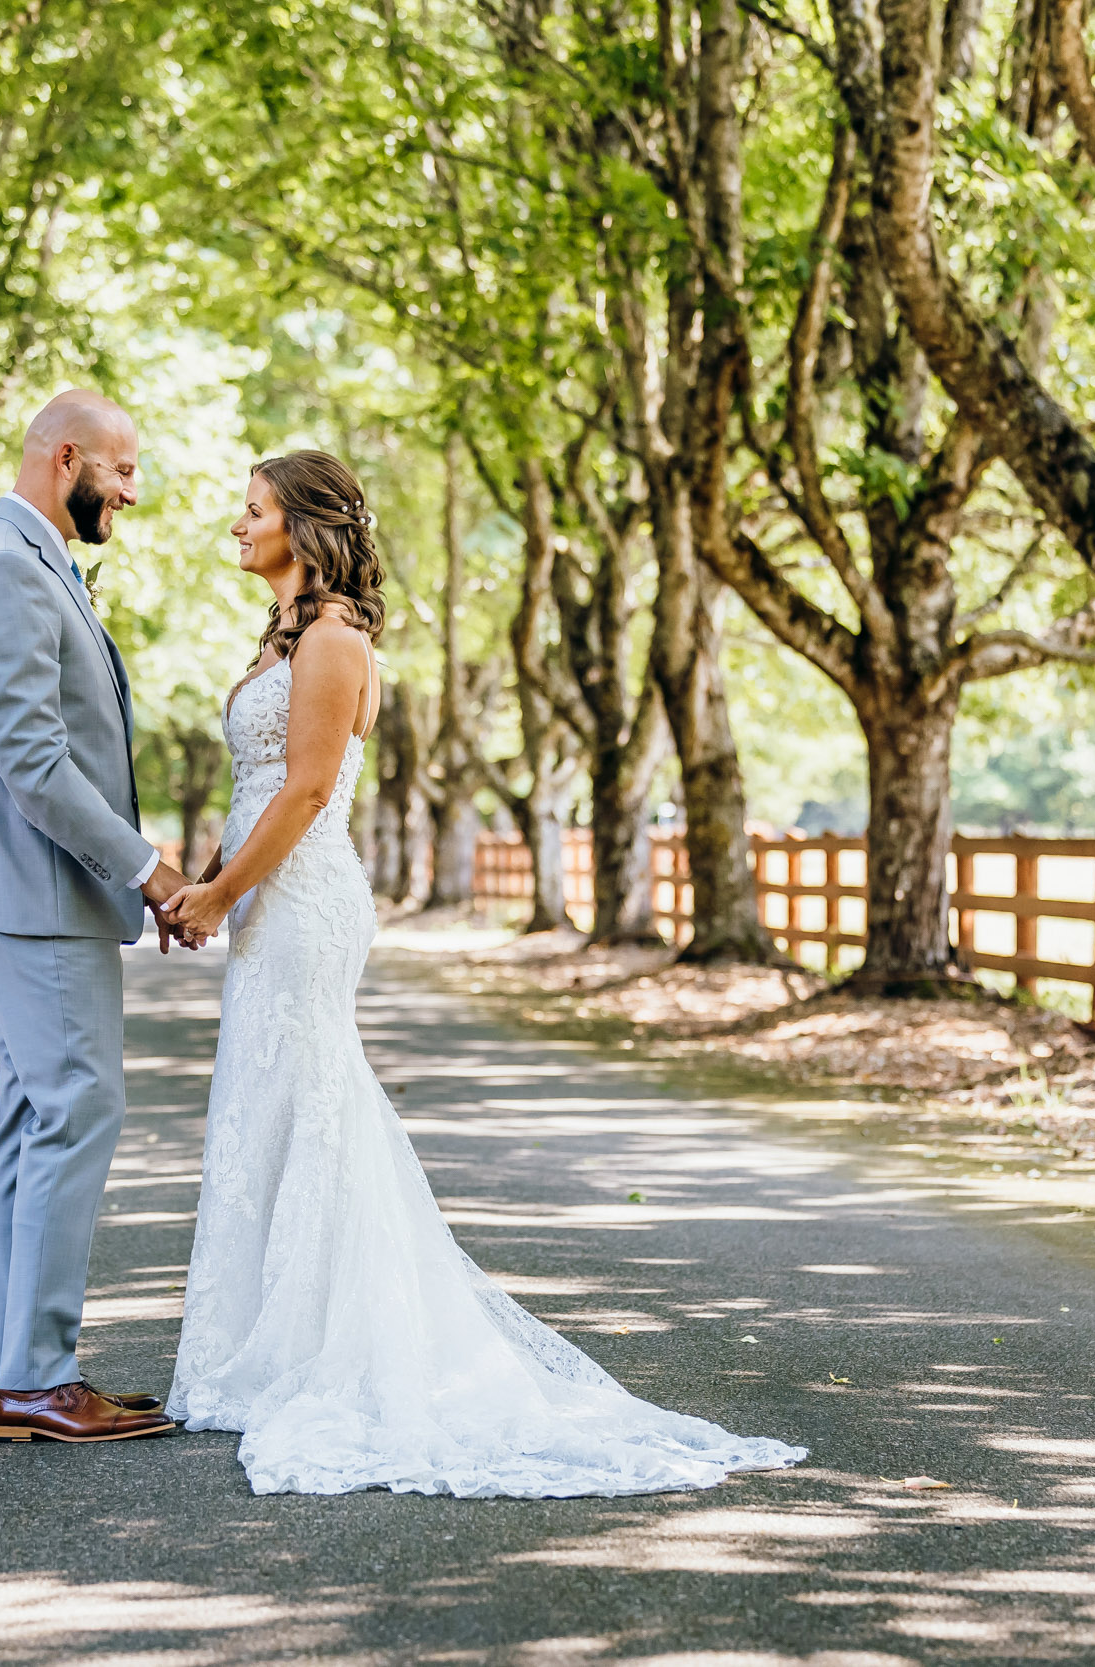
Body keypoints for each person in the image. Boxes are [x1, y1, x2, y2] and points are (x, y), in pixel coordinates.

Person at [157, 451, 809, 1496]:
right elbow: (261, 784)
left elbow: (310, 788)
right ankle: (265, 1342)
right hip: (268, 902)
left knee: (312, 1103)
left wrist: (219, 891)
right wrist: (213, 885)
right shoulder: (289, 638)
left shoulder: (331, 641)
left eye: (254, 509)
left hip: (301, 902)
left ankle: (324, 1350)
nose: (236, 525)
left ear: (306, 526)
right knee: (273, 1106)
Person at [0, 390, 192, 1444]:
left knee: (35, 1120)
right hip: (35, 891)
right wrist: (149, 868)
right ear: (68, 457)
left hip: (36, 892)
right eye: (122, 471)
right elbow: (31, 760)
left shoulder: (29, 563)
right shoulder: (3, 567)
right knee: (79, 1104)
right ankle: (38, 1371)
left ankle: (16, 1372)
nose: (131, 491)